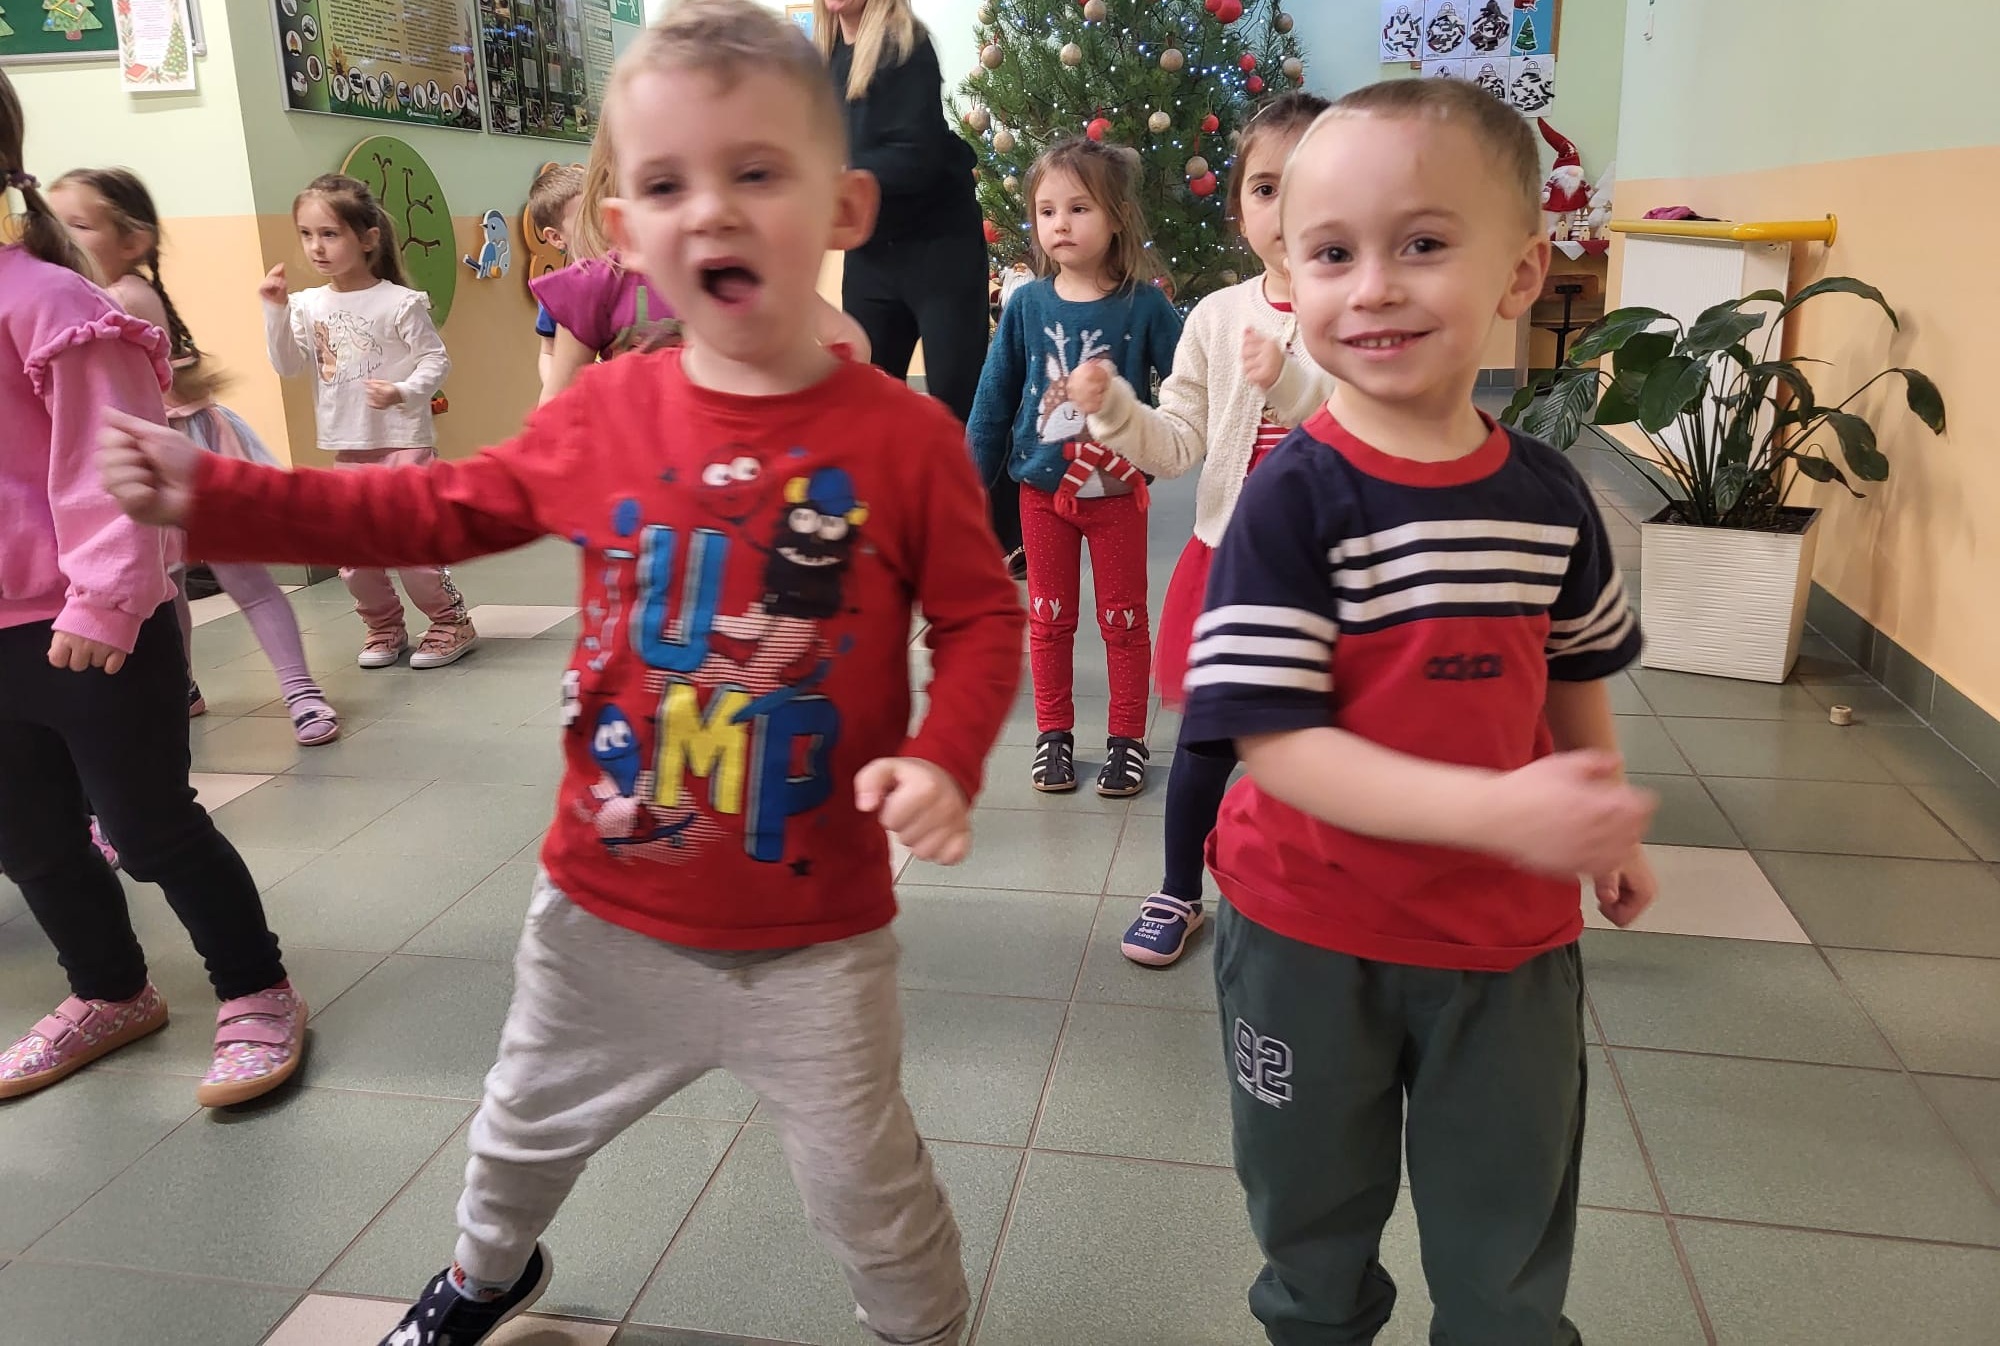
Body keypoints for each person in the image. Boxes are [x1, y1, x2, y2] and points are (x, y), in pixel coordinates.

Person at [98, 4, 1023, 1344]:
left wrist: (946, 755)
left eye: (757, 171)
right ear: (623, 231)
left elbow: (984, 618)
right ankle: (487, 1276)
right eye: (668, 184)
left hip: (814, 936)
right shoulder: (604, 414)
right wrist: (221, 494)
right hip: (604, 907)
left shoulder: (907, 439)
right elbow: (426, 508)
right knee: (518, 1130)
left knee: (869, 1189)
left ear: (845, 208)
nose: (714, 210)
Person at [1177, 81, 1659, 1343]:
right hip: (1305, 934)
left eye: (1424, 243)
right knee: (1310, 1225)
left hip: (1504, 947)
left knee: (1505, 1242)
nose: (1373, 288)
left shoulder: (1549, 496)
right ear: (1288, 279)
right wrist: (1498, 809)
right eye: (1331, 253)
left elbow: (1570, 668)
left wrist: (1599, 809)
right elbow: (1275, 739)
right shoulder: (1292, 499)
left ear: (1520, 271)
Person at [0, 71, 306, 1109]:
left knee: (147, 826)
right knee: (30, 837)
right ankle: (110, 990)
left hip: (82, 624)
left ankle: (256, 986)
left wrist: (104, 597)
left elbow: (114, 462)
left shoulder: (50, 302)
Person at [1067, 94, 1333, 965]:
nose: (1285, 209)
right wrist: (1116, 413)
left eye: (1311, 183)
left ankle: (1325, 892)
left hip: (1332, 578)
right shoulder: (1218, 316)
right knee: (1207, 740)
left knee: (1327, 741)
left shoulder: (1362, 306)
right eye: (1266, 187)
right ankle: (1180, 888)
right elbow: (1179, 442)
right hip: (1233, 564)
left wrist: (1291, 386)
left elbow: (1364, 428)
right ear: (1239, 208)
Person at [49, 167, 341, 746]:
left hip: (180, 451)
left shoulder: (123, 295)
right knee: (170, 585)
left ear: (133, 241)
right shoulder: (96, 294)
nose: (60, 238)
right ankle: (183, 685)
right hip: (146, 455)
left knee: (245, 579)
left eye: (78, 225)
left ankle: (300, 691)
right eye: (52, 223)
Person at [968, 138, 1180, 798]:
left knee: (1123, 620)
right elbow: (993, 399)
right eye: (1047, 210)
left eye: (1079, 208)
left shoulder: (1144, 306)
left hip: (1117, 494)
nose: (1060, 223)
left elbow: (1188, 386)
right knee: (1050, 617)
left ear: (1116, 217)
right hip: (1041, 495)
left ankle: (1127, 739)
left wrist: (1179, 438)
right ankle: (1053, 734)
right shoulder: (1027, 306)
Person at [814, 0, 1017, 570]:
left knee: (959, 394)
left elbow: (916, 157)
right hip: (873, 248)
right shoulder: (823, 57)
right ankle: (882, 526)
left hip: (938, 247)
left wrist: (836, 181)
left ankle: (1002, 533)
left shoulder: (906, 43)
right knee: (867, 389)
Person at [264, 172, 477, 671]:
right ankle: (383, 626)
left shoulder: (399, 302)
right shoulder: (307, 305)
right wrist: (273, 310)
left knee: (412, 549)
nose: (316, 247)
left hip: (405, 442)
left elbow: (435, 360)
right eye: (306, 234)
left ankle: (450, 621)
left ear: (367, 238)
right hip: (349, 447)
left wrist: (403, 391)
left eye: (330, 234)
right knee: (355, 557)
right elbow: (288, 365)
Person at [534, 129, 867, 403]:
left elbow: (847, 341)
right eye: (666, 186)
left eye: (750, 177)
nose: (707, 210)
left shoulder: (753, 273)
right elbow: (555, 404)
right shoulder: (596, 283)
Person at [526, 162, 586, 389]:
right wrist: (557, 391)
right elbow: (548, 351)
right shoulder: (558, 292)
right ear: (556, 237)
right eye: (586, 220)